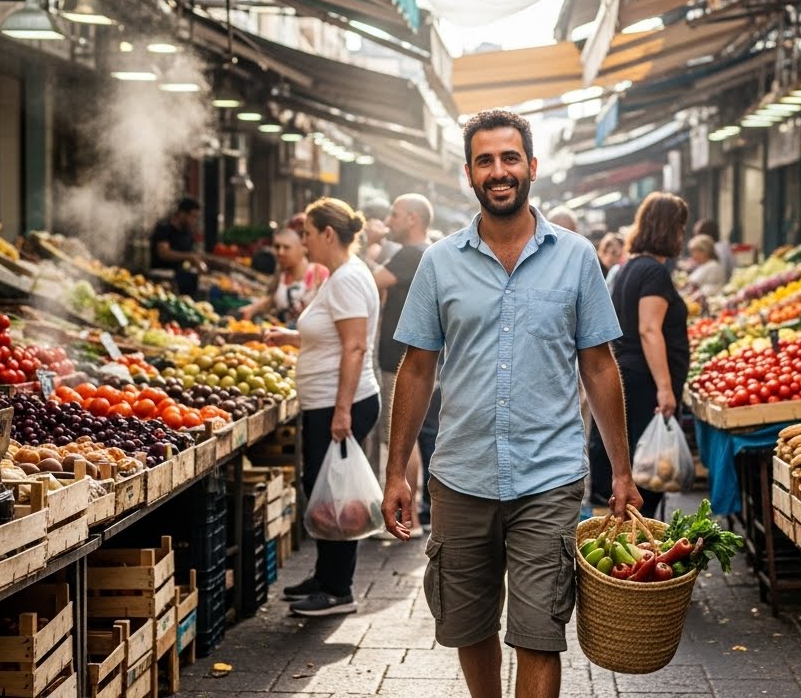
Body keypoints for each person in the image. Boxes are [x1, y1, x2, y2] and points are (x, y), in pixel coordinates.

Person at [381, 109, 642, 698]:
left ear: (530, 166)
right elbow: (417, 367)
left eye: (509, 158)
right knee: (467, 626)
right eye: (485, 160)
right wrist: (397, 470)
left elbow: (599, 366)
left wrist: (620, 472)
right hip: (460, 475)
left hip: (548, 478)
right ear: (469, 173)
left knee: (539, 632)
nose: (499, 172)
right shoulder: (439, 262)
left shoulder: (576, 257)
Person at [267, 197, 381, 616]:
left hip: (339, 403)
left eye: (309, 234)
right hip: (328, 401)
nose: (305, 242)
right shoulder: (342, 275)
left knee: (336, 497)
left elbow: (354, 346)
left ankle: (338, 590)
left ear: (328, 234)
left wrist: (342, 411)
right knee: (324, 490)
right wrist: (291, 336)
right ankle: (325, 575)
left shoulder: (348, 278)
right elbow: (333, 337)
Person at [589, 193, 691, 519]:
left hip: (630, 376)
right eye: (680, 227)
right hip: (645, 383)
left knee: (637, 467)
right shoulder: (654, 273)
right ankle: (640, 547)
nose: (683, 236)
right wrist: (665, 387)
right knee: (647, 474)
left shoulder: (629, 268)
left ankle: (632, 545)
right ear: (668, 229)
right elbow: (649, 330)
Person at [370, 193, 440, 528]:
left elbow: (370, 283)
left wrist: (369, 243)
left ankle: (405, 518)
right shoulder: (424, 254)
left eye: (395, 215)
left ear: (413, 218)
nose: (389, 222)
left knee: (402, 437)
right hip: (408, 358)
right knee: (414, 435)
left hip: (401, 361)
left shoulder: (413, 254)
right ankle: (413, 513)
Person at [237, 227, 328, 323]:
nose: (280, 252)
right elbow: (274, 299)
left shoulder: (319, 273)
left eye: (286, 247)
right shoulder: (281, 273)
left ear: (303, 248)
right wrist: (252, 309)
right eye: (277, 247)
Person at [150, 197, 205, 296]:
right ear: (182, 213)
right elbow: (164, 253)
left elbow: (193, 254)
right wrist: (190, 257)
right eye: (193, 216)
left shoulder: (187, 233)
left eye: (197, 217)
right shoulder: (164, 228)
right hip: (162, 280)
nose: (195, 220)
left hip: (183, 279)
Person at [686, 234, 727, 298]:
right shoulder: (702, 266)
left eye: (694, 251)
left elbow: (712, 289)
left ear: (704, 251)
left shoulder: (714, 266)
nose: (692, 255)